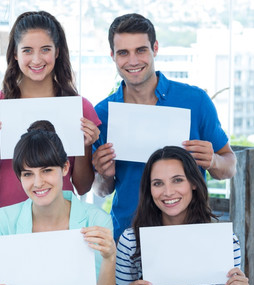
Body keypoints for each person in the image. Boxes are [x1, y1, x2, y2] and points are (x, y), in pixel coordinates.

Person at [92, 13, 237, 240]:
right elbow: (101, 190)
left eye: (140, 50)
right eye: (123, 53)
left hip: (189, 233)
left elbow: (229, 166)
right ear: (112, 56)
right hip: (128, 237)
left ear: (155, 48)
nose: (132, 61)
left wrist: (214, 161)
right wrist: (104, 175)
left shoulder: (195, 101)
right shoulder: (102, 114)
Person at [0, 10, 101, 217]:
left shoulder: (81, 107)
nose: (36, 59)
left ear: (57, 52)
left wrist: (86, 147)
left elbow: (82, 187)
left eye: (45, 49)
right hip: (7, 218)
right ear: (15, 54)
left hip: (62, 219)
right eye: (27, 50)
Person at [0, 121, 116, 285]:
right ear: (19, 177)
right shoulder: (2, 221)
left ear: (65, 168)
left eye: (47, 170)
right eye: (28, 174)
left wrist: (109, 259)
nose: (38, 183)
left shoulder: (96, 220)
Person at [111, 146, 248, 285]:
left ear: (193, 184)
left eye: (177, 180)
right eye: (158, 183)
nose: (168, 192)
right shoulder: (131, 240)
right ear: (150, 190)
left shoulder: (226, 242)